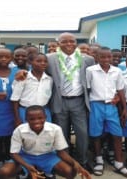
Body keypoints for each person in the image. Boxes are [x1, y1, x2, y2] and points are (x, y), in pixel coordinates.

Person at [0, 105, 91, 179]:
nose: (36, 122)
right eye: (32, 119)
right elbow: (14, 153)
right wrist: (27, 166)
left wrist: (76, 164)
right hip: (26, 156)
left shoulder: (55, 129)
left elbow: (61, 152)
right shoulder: (19, 130)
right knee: (3, 172)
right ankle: (26, 172)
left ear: (45, 117)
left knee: (71, 171)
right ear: (26, 119)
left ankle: (48, 171)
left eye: (40, 118)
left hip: (48, 156)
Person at [46, 32, 95, 170]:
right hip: (59, 100)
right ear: (58, 43)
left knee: (82, 133)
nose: (69, 44)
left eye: (72, 41)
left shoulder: (88, 59)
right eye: (64, 41)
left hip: (79, 101)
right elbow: (38, 70)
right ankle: (66, 160)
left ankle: (83, 160)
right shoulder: (50, 58)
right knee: (61, 133)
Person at [86, 47, 127, 178]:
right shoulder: (90, 70)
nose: (106, 59)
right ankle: (99, 160)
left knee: (117, 134)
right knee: (96, 135)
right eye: (103, 57)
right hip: (96, 105)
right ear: (97, 57)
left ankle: (119, 163)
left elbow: (120, 90)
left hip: (111, 106)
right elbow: (87, 89)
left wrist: (124, 108)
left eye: (109, 57)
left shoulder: (117, 71)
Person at [11, 53, 53, 125]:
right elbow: (15, 99)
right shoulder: (23, 78)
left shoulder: (49, 79)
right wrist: (17, 118)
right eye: (38, 61)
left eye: (45, 61)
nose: (43, 63)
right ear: (30, 62)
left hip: (43, 111)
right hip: (25, 111)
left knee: (45, 134)